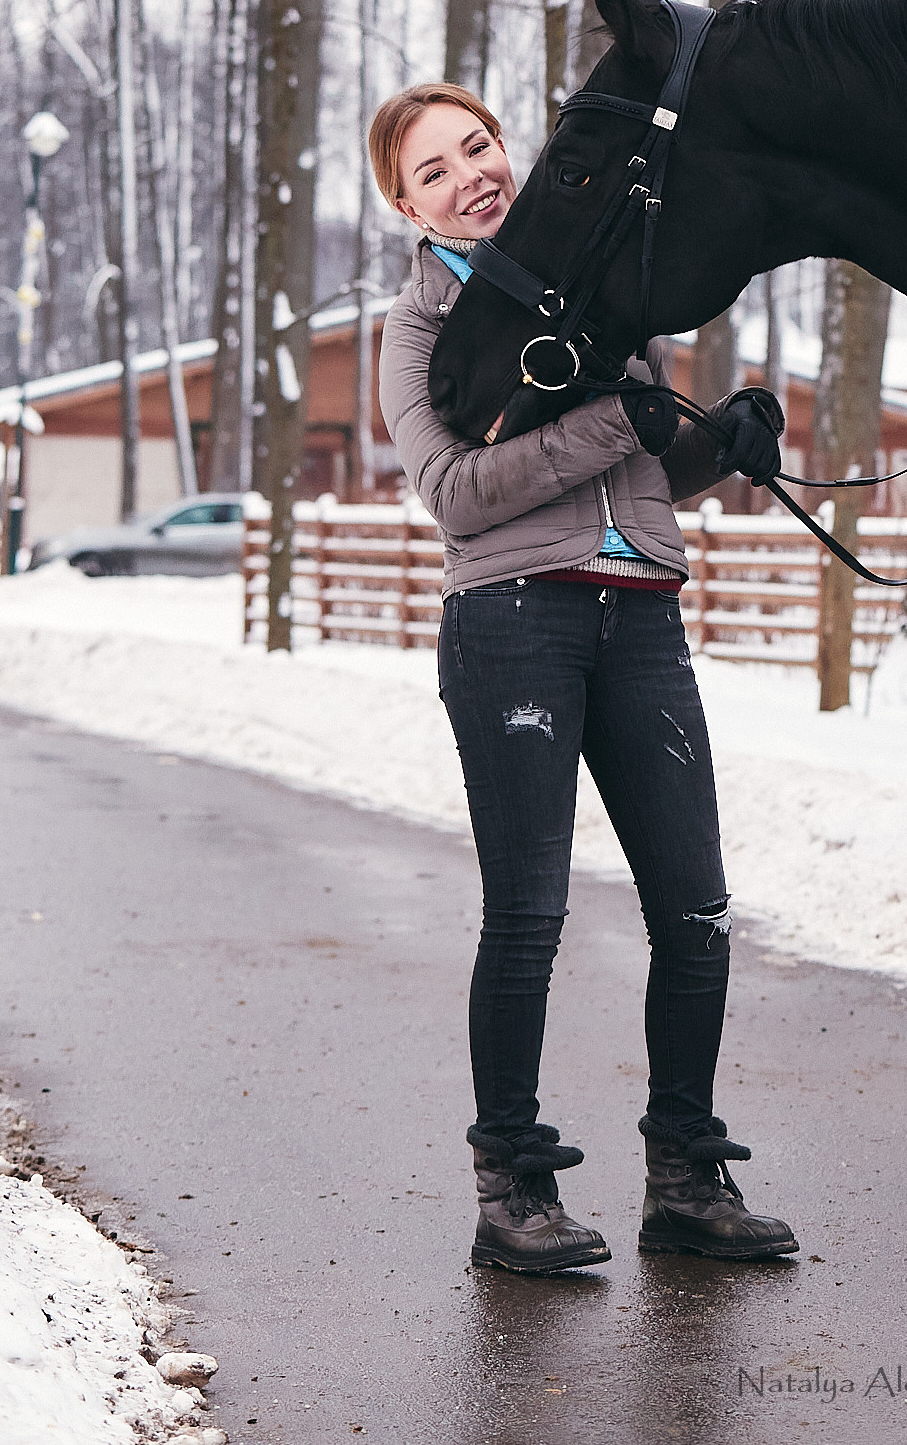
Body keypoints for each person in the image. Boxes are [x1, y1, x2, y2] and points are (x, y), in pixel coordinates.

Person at [369, 81, 794, 1273]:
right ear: (406, 204)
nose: (471, 175)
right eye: (437, 171)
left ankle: (684, 1176)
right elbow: (454, 493)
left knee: (696, 909)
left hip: (642, 617)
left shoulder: (596, 287)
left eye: (479, 146)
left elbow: (644, 459)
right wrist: (624, 425)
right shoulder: (416, 330)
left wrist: (724, 447)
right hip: (514, 621)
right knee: (529, 916)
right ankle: (510, 1189)